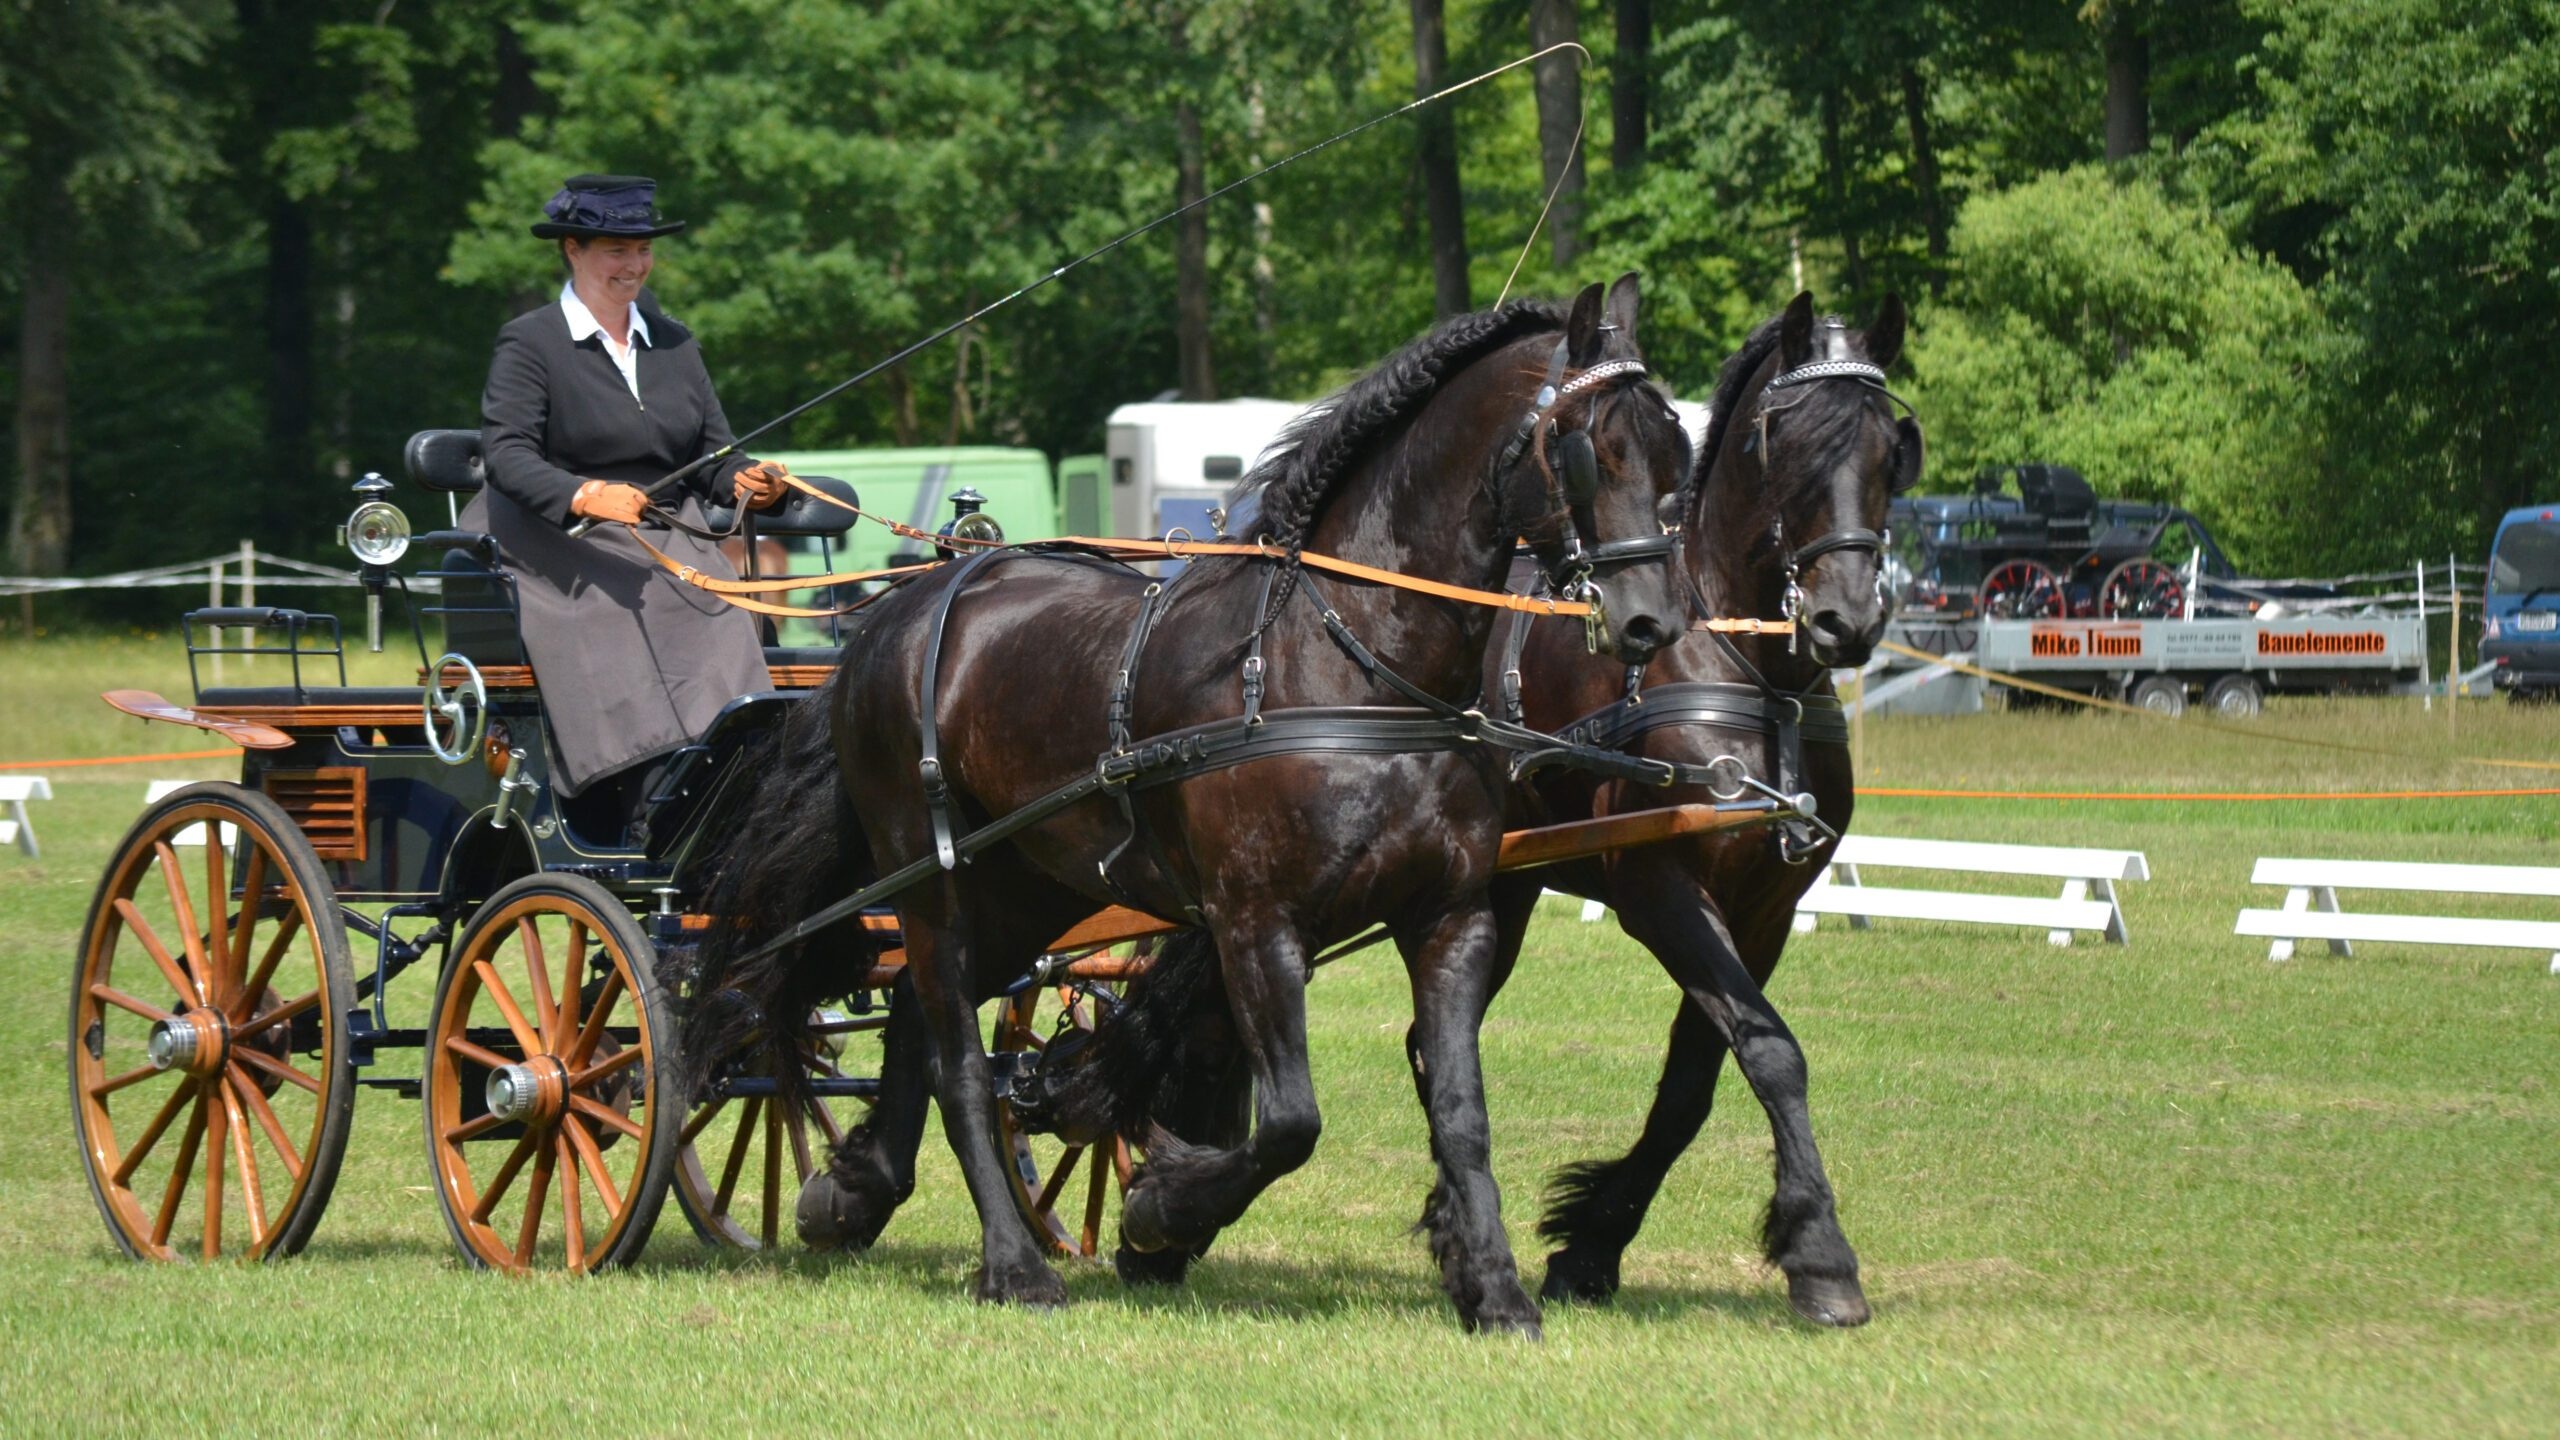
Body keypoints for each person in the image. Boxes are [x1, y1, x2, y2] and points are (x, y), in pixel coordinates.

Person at [469, 173, 790, 825]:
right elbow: (506, 455)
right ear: (573, 250)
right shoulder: (531, 343)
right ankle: (638, 796)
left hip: (661, 533)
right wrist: (585, 494)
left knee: (722, 610)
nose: (634, 265)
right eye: (617, 249)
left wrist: (748, 481)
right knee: (614, 619)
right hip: (551, 541)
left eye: (642, 249)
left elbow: (713, 456)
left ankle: (722, 777)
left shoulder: (674, 342)